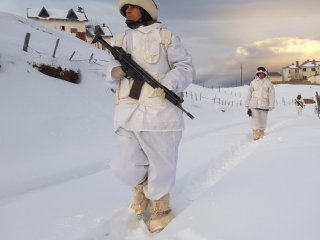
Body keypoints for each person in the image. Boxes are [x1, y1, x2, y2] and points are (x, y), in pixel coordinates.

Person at [105, 0, 195, 233]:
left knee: (161, 161)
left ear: (146, 10)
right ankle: (141, 185)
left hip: (159, 110)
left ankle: (160, 207)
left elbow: (185, 67)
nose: (128, 11)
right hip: (127, 110)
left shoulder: (165, 35)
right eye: (125, 8)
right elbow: (109, 70)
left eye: (132, 6)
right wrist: (115, 71)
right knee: (123, 164)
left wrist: (167, 84)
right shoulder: (120, 39)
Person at [245, 66, 275, 140]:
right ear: (257, 74)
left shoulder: (269, 83)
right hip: (253, 104)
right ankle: (255, 133)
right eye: (259, 73)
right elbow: (249, 93)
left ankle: (261, 132)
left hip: (264, 105)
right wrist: (247, 104)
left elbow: (272, 94)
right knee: (255, 119)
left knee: (263, 119)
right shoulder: (253, 82)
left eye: (262, 73)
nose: (261, 75)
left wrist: (271, 105)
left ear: (265, 74)